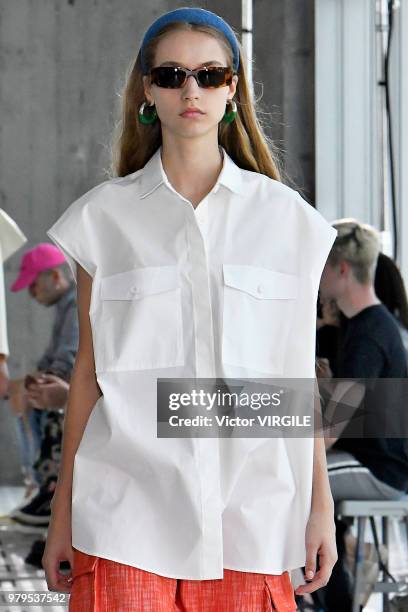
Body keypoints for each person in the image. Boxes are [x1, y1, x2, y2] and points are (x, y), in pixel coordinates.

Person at [42, 7, 338, 611]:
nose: (191, 90)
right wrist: (62, 511)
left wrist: (320, 504)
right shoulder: (102, 221)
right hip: (126, 514)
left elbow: (294, 377)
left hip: (251, 517)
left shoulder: (288, 224)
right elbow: (88, 376)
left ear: (233, 90)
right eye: (172, 74)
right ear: (147, 89)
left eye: (210, 75)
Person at [317, 219, 408, 611]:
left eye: (322, 265)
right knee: (305, 478)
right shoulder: (366, 326)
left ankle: (333, 602)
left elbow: (332, 428)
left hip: (380, 470)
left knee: (300, 484)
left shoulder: (370, 334)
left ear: (341, 270)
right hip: (370, 460)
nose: (316, 276)